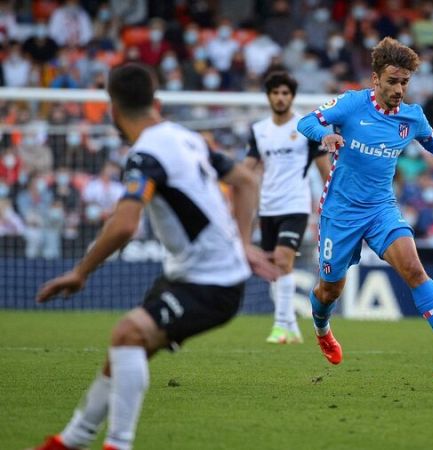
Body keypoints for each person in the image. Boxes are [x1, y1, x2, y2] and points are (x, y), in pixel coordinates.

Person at [32, 63, 272, 450]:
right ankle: (70, 441)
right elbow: (245, 181)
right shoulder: (186, 137)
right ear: (156, 102)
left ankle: (118, 444)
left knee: (127, 335)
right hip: (189, 274)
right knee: (127, 351)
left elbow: (125, 225)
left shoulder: (144, 156)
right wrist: (243, 242)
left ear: (113, 109)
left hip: (211, 284)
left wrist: (81, 272)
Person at [296, 37, 433, 380]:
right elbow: (307, 121)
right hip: (340, 212)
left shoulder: (411, 117)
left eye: (405, 82)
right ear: (376, 80)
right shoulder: (351, 104)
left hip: (380, 209)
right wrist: (324, 136)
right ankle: (322, 329)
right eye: (393, 81)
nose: (399, 89)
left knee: (414, 269)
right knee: (330, 289)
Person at [244, 71, 330, 344]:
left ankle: (280, 325)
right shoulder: (259, 131)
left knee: (283, 260)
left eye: (285, 93)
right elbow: (248, 169)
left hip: (295, 205)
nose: (281, 98)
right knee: (274, 268)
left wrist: (331, 197)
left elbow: (323, 167)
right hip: (267, 207)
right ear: (269, 96)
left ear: (291, 97)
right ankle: (291, 324)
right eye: (276, 93)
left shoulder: (305, 127)